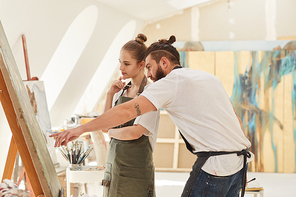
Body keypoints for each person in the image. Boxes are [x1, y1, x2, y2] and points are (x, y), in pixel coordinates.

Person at [51, 35, 253, 197]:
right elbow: (235, 119)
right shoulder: (208, 78)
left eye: (149, 66)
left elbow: (126, 111)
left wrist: (81, 129)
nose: (148, 74)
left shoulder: (169, 84)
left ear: (163, 62)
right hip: (238, 165)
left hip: (215, 167)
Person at [100, 33, 159, 197]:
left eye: (126, 63)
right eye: (120, 62)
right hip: (114, 167)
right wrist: (110, 95)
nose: (121, 68)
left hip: (137, 172)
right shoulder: (120, 91)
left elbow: (135, 132)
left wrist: (112, 133)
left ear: (141, 64)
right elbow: (105, 125)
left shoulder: (150, 93)